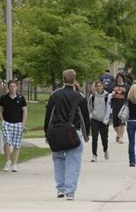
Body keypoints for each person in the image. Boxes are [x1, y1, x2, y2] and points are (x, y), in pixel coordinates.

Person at [44, 69, 90, 200]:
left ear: (63, 79)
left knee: (58, 159)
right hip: (73, 132)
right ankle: (70, 192)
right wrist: (86, 135)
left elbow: (49, 115)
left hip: (57, 132)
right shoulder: (79, 97)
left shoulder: (55, 95)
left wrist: (47, 133)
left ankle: (61, 188)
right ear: (74, 79)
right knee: (73, 161)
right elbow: (84, 117)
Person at [0, 80, 28, 172]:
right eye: (11, 86)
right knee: (7, 141)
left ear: (17, 87)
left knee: (17, 144)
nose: (12, 88)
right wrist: (2, 121)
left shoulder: (21, 98)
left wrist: (23, 124)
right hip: (7, 123)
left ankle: (14, 164)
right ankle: (8, 161)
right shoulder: (4, 98)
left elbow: (25, 111)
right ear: (8, 87)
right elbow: (0, 110)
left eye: (14, 86)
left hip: (18, 123)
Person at [88, 81, 111, 162]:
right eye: (97, 86)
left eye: (100, 86)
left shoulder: (107, 96)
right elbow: (90, 107)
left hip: (104, 120)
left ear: (103, 87)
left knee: (104, 138)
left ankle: (105, 150)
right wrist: (90, 115)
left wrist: (106, 119)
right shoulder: (92, 96)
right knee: (94, 138)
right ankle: (94, 154)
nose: (98, 87)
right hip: (95, 119)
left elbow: (108, 109)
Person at [109, 73, 129, 143]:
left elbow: (128, 96)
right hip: (115, 106)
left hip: (123, 107)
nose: (119, 78)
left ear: (123, 78)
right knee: (115, 124)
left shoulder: (126, 86)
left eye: (121, 77)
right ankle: (118, 134)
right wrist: (112, 94)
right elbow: (109, 94)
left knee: (122, 123)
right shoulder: (113, 85)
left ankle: (120, 138)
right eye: (118, 77)